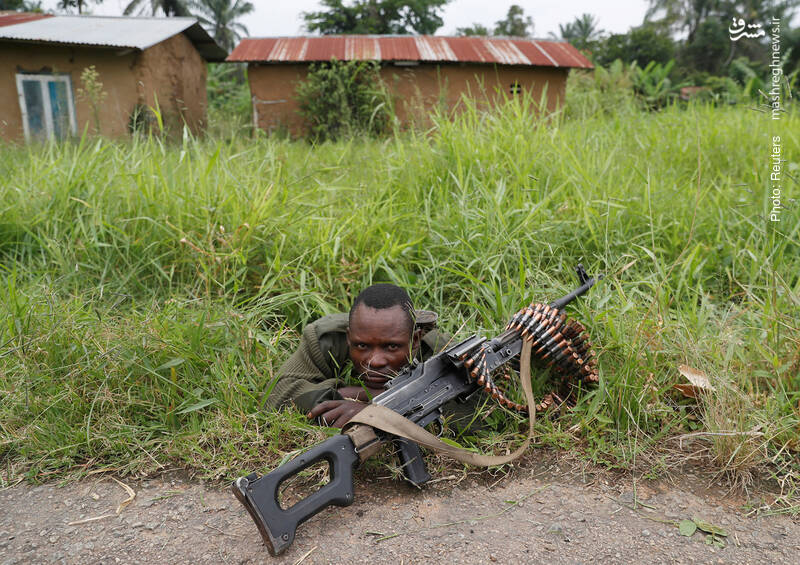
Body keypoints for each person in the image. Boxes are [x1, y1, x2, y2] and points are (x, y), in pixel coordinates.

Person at [263, 283, 478, 429]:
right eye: (362, 346)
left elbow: (475, 413)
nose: (375, 361)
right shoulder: (326, 339)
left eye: (391, 347)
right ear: (349, 338)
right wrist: (352, 393)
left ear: (414, 341)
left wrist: (381, 408)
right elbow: (277, 394)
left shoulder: (440, 352)